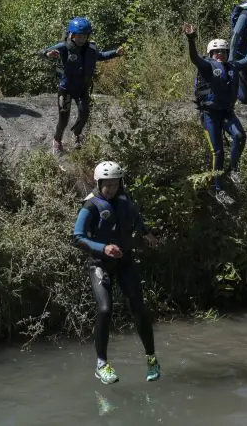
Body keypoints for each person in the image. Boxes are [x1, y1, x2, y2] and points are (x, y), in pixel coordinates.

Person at [72, 160, 161, 385]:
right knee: (104, 309)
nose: (111, 189)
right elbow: (77, 237)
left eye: (114, 184)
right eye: (107, 185)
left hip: (125, 262)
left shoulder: (124, 198)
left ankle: (151, 359)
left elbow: (135, 216)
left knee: (139, 308)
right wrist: (103, 248)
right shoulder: (91, 206)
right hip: (100, 264)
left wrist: (146, 232)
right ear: (98, 183)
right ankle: (101, 364)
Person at [184, 20, 247, 205]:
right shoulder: (207, 66)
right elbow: (195, 58)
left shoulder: (232, 66)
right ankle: (217, 189)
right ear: (211, 54)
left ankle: (234, 169)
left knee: (240, 136)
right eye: (216, 51)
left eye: (223, 51)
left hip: (226, 113)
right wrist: (191, 39)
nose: (220, 54)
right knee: (217, 152)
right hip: (209, 115)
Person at [40, 17, 125, 155]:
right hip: (66, 89)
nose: (81, 38)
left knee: (84, 114)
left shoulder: (91, 49)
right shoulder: (64, 47)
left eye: (84, 36)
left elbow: (101, 56)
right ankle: (57, 140)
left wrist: (115, 53)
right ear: (71, 34)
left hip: (82, 89)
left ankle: (77, 134)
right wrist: (48, 54)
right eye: (79, 35)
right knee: (63, 119)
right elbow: (42, 52)